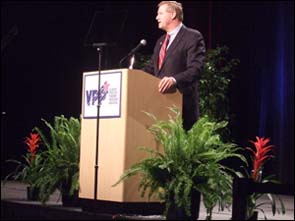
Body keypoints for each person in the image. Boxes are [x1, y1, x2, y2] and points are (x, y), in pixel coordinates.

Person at [143, 1, 206, 131]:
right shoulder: (160, 41)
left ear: (172, 14)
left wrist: (174, 80)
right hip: (159, 108)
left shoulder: (192, 37)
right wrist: (131, 76)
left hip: (181, 108)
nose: (156, 17)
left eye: (160, 13)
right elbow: (151, 69)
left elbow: (196, 69)